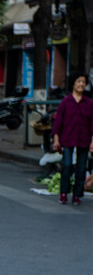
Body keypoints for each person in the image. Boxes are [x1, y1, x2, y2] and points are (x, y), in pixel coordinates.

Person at [50, 71, 93, 205]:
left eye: (83, 82)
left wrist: (92, 142)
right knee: (67, 165)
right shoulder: (65, 102)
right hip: (67, 138)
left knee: (81, 168)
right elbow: (58, 123)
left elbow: (92, 124)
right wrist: (56, 139)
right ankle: (63, 193)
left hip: (83, 139)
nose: (81, 84)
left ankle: (77, 195)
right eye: (79, 82)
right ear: (73, 84)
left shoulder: (89, 103)